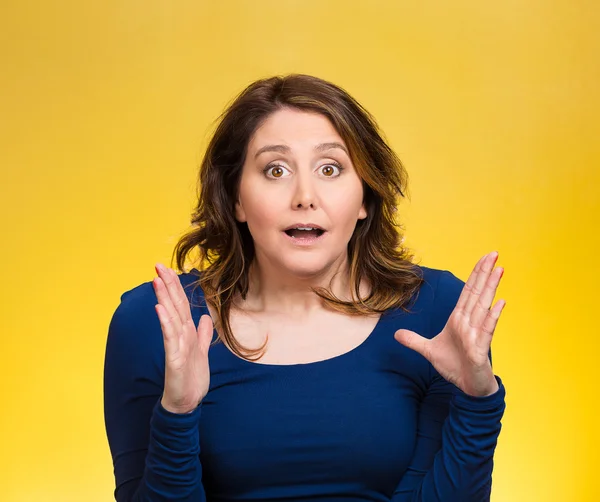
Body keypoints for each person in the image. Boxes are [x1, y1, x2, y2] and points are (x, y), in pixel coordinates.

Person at [103, 74, 507, 502]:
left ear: (366, 197)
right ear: (236, 198)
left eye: (330, 168)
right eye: (275, 170)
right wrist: (177, 413)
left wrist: (477, 400)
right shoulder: (157, 322)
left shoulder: (437, 310)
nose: (304, 196)